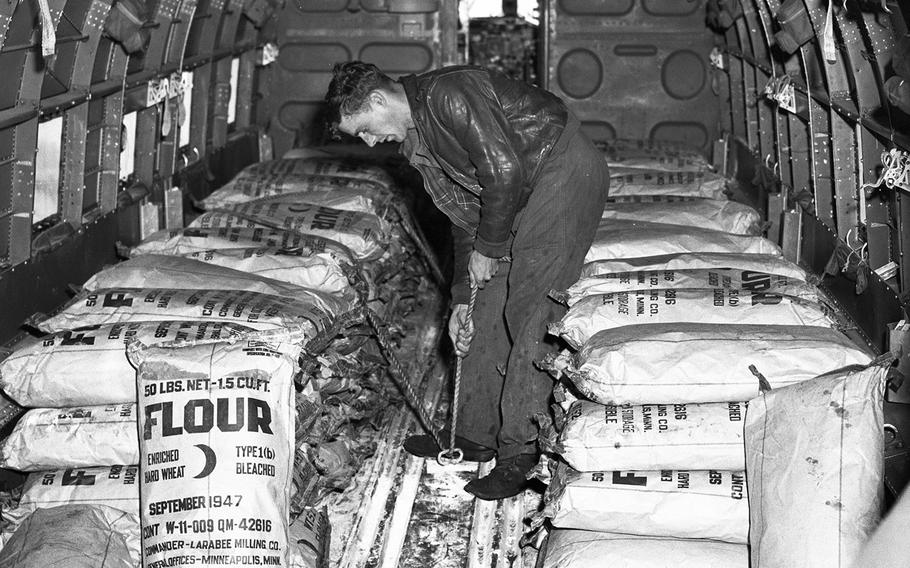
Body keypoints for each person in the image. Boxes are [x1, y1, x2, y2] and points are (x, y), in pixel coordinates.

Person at [325, 62, 609, 500]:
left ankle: (522, 451)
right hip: (518, 193)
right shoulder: (417, 143)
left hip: (561, 171)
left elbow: (503, 171)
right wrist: (461, 298)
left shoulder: (446, 94)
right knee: (483, 303)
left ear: (379, 101)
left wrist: (489, 248)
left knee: (531, 308)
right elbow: (462, 218)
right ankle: (475, 432)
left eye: (364, 128)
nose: (368, 141)